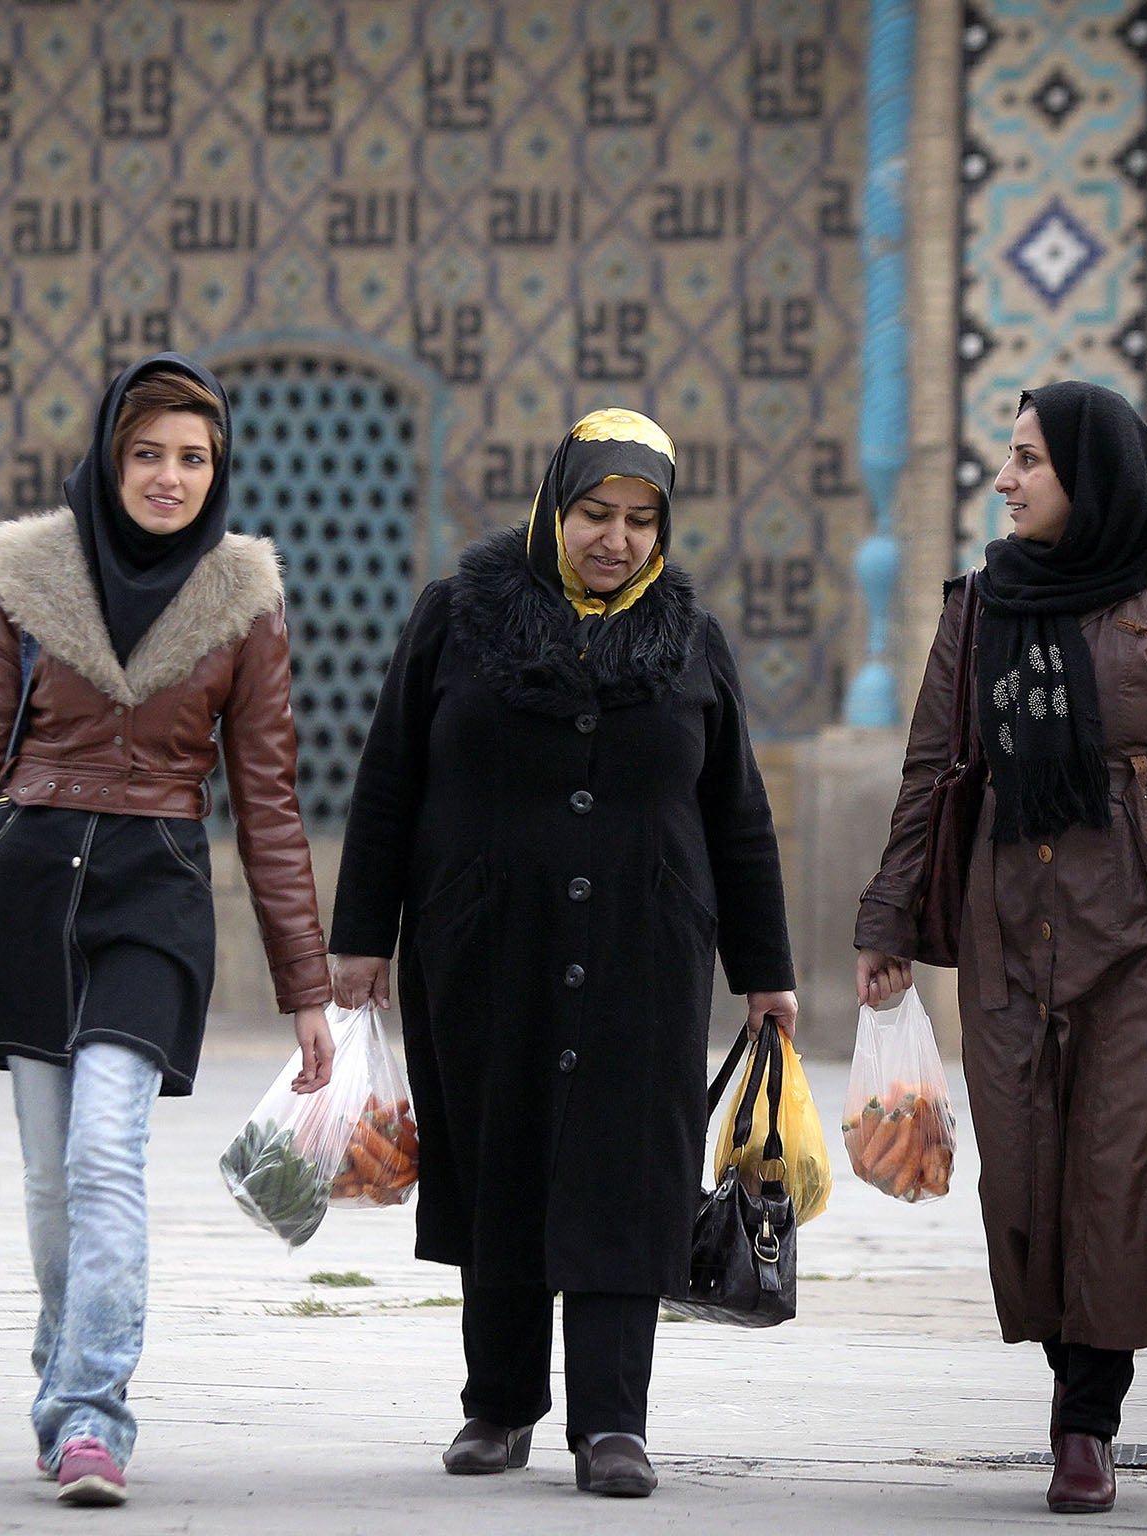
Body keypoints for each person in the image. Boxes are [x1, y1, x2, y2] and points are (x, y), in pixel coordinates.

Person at [328, 409, 797, 1499]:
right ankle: (496, 1409)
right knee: (499, 1162)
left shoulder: (690, 641)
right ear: (553, 508)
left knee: (627, 1175)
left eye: (639, 520)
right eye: (594, 512)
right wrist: (359, 942)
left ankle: (612, 1426)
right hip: (486, 943)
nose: (615, 539)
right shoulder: (457, 619)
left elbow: (736, 814)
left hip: (645, 952)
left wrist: (762, 971)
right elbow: (388, 778)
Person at [0, 353, 335, 1507]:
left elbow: (271, 799)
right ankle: (64, 1380)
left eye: (194, 458)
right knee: (49, 1181)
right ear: (109, 456)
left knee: (105, 1154)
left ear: (218, 471)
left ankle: (92, 1415)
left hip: (152, 895)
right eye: (148, 454)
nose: (169, 477)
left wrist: (307, 986)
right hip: (29, 891)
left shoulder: (243, 601)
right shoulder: (28, 579)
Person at [853, 381, 1147, 1516]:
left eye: (1027, 461)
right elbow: (932, 771)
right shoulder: (981, 606)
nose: (1004, 480)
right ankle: (1069, 1387)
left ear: (1091, 479)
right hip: (1009, 929)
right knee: (1029, 1177)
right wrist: (887, 917)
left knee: (1113, 1177)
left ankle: (1083, 1425)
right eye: (1007, 458)